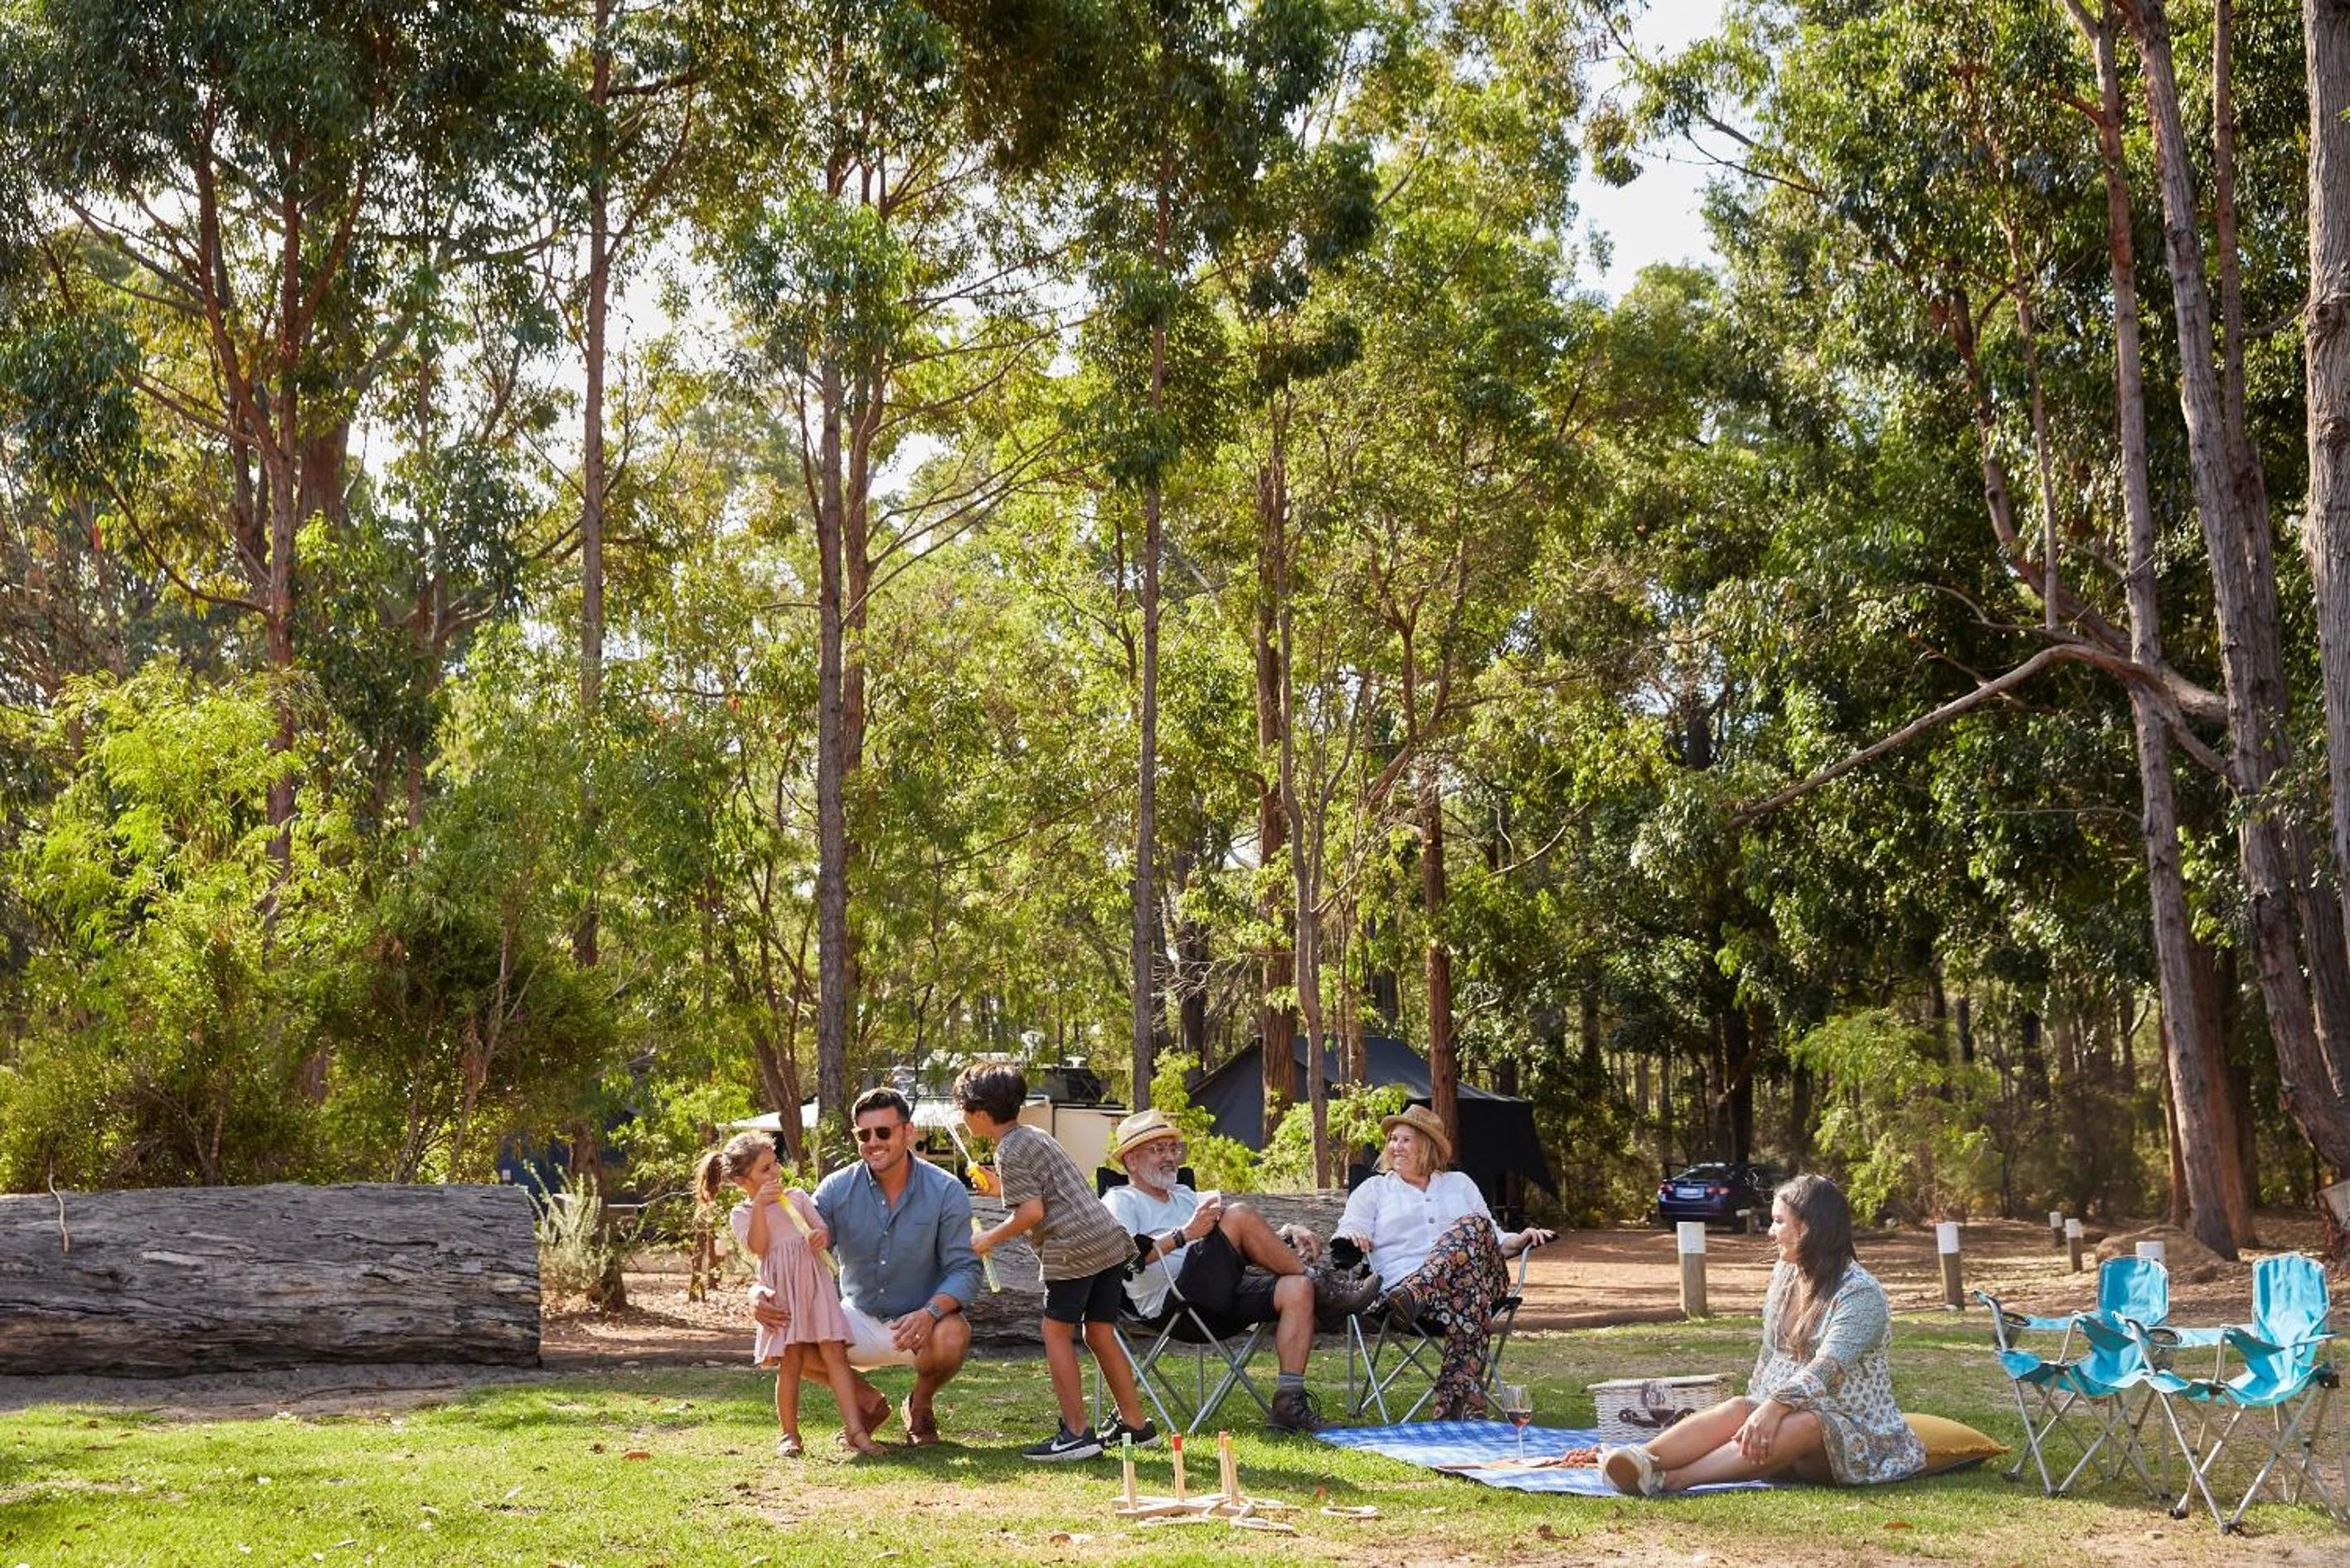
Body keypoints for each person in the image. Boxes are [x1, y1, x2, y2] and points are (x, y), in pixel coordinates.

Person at [1599, 1172, 1927, 1495]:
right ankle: (1641, 1460)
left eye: (1779, 1222)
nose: (1771, 1232)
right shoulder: (1786, 1273)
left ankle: (1670, 1480)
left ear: (1810, 1227)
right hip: (1786, 1414)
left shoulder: (1860, 1294)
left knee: (1809, 1423)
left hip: (1857, 1433)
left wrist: (1772, 1409)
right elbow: (1770, 1353)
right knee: (1738, 1407)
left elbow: (1827, 1369)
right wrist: (1755, 1410)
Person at [1100, 1108, 1380, 1434]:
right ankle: (1326, 1291)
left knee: (1295, 1288)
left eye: (1172, 1148)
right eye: (1157, 1149)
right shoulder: (1121, 1199)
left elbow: (1240, 1239)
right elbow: (1124, 1257)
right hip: (1173, 1304)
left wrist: (1287, 1233)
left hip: (1220, 1294)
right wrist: (1184, 1234)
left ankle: (1289, 1405)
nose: (1169, 1158)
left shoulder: (1186, 1196)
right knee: (1239, 1214)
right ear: (1131, 1161)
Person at [750, 1086, 983, 1448]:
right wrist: (755, 1291)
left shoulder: (946, 1190)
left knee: (954, 1335)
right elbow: (790, 1244)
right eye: (864, 1134)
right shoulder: (835, 1189)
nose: (873, 1142)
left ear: (908, 1132)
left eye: (884, 1132)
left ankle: (919, 1405)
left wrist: (930, 1312)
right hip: (853, 1320)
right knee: (788, 1336)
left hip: (920, 1322)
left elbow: (965, 1268)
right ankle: (867, 1402)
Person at [959, 1060, 1154, 1461]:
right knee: (1099, 1332)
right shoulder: (1030, 1136)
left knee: (1054, 1332)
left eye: (962, 1109)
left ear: (979, 1113)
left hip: (1072, 1247)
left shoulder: (1009, 1150)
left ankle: (1076, 1433)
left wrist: (987, 1238)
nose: (960, 1118)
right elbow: (1045, 1195)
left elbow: (1030, 1213)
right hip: (1106, 1239)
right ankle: (1136, 1425)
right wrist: (998, 1188)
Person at [1333, 1104, 1555, 1420]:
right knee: (1469, 1292)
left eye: (1406, 1139)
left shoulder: (1459, 1184)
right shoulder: (1374, 1189)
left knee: (1474, 1227)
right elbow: (1349, 1227)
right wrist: (1355, 1234)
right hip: (1408, 1291)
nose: (1395, 1146)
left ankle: (1417, 1291)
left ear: (1427, 1145)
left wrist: (1518, 1240)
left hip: (1419, 1298)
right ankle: (1458, 1405)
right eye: (1393, 1139)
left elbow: (1490, 1235)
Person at [698, 1132, 885, 1457]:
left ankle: (856, 1430)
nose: (775, 1173)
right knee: (792, 1359)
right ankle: (789, 1435)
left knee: (835, 1355)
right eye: (765, 1170)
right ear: (743, 1180)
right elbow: (759, 1247)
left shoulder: (797, 1197)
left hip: (815, 1288)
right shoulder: (742, 1214)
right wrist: (759, 1205)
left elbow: (822, 1231)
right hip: (782, 1293)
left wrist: (819, 1237)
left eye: (775, 1164)